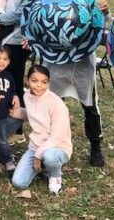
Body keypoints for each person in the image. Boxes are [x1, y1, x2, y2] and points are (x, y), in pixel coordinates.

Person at [34, 0, 110, 167]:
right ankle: (49, 145)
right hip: (54, 62)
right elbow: (35, 25)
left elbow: (100, 19)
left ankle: (96, 147)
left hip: (82, 61)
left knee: (90, 105)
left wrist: (105, 9)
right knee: (51, 105)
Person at [10, 65, 72, 195]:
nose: (39, 85)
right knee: (18, 182)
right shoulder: (27, 96)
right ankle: (43, 167)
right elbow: (34, 115)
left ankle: (55, 175)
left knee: (49, 156)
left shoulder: (56, 104)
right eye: (34, 81)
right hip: (35, 146)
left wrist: (39, 155)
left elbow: (58, 136)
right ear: (27, 81)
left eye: (44, 82)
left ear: (48, 83)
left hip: (57, 147)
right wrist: (15, 112)